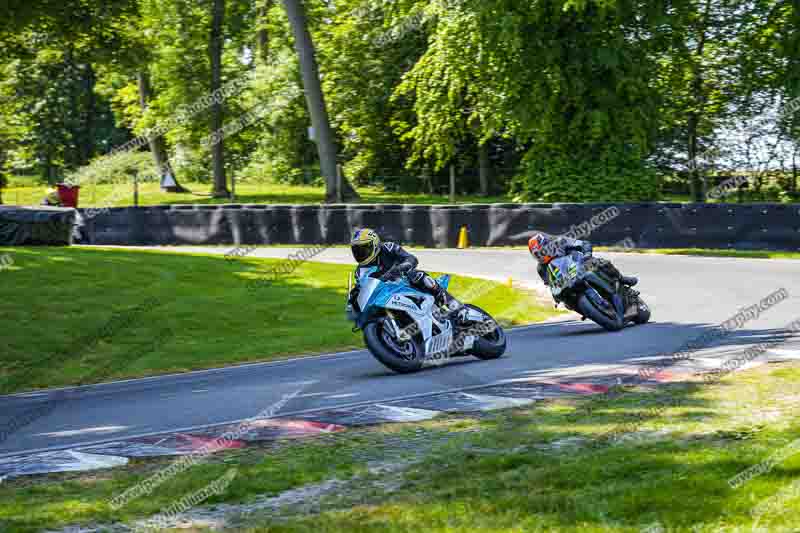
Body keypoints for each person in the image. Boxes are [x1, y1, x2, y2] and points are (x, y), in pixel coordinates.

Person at [349, 228, 462, 315]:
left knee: (417, 275)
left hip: (404, 282)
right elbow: (364, 290)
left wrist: (401, 268)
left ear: (374, 245)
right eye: (357, 251)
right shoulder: (359, 272)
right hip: (386, 295)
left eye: (364, 249)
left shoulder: (388, 248)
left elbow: (411, 259)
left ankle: (453, 304)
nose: (360, 253)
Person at [528, 233, 638, 289]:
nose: (540, 256)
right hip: (568, 281)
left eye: (541, 251)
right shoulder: (541, 268)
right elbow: (549, 284)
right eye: (537, 255)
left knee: (602, 263)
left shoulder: (560, 242)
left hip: (581, 263)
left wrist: (587, 254)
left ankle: (621, 279)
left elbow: (583, 243)